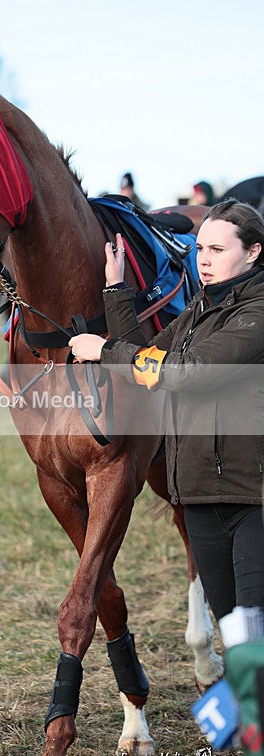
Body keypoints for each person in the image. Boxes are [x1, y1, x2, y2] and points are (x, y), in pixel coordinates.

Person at [69, 199, 264, 628]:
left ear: (253, 252)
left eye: (218, 250)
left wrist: (101, 350)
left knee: (254, 635)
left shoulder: (256, 312)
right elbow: (145, 360)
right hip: (198, 495)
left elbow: (185, 374)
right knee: (233, 633)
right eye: (199, 250)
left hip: (253, 499)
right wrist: (117, 289)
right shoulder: (199, 310)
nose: (204, 261)